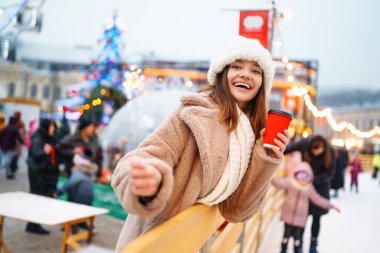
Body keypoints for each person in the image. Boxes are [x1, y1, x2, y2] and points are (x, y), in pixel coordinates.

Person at [111, 36, 290, 251]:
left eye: (256, 70)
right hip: (155, 241)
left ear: (262, 83)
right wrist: (145, 179)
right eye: (237, 66)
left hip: (192, 243)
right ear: (223, 73)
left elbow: (237, 210)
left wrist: (266, 157)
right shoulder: (193, 114)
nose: (245, 74)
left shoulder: (250, 135)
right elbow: (145, 156)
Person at [272, 152, 340, 253]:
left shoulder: (309, 189)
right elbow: (279, 183)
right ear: (297, 175)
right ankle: (283, 250)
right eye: (301, 176)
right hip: (288, 217)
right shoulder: (290, 183)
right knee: (285, 237)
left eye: (306, 177)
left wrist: (331, 205)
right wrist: (269, 178)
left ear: (309, 178)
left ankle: (296, 249)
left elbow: (318, 199)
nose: (302, 180)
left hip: (300, 220)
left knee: (297, 239)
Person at [284, 135, 336, 253]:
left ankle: (313, 244)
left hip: (321, 188)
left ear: (323, 148)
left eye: (318, 151)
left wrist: (313, 179)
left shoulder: (330, 151)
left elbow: (330, 172)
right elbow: (289, 148)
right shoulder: (304, 144)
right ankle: (299, 243)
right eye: (313, 151)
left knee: (316, 219)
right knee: (302, 218)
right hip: (304, 188)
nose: (315, 153)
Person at [25, 119, 58, 235]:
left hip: (42, 174)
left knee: (39, 199)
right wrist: (44, 151)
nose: (53, 129)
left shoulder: (46, 137)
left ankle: (34, 224)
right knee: (37, 199)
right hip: (37, 174)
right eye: (51, 126)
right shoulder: (38, 138)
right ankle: (33, 225)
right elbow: (35, 153)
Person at [54, 148, 98, 233]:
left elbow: (69, 184)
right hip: (88, 201)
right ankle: (80, 225)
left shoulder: (78, 172)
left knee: (71, 203)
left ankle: (73, 228)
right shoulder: (88, 172)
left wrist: (57, 193)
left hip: (78, 201)